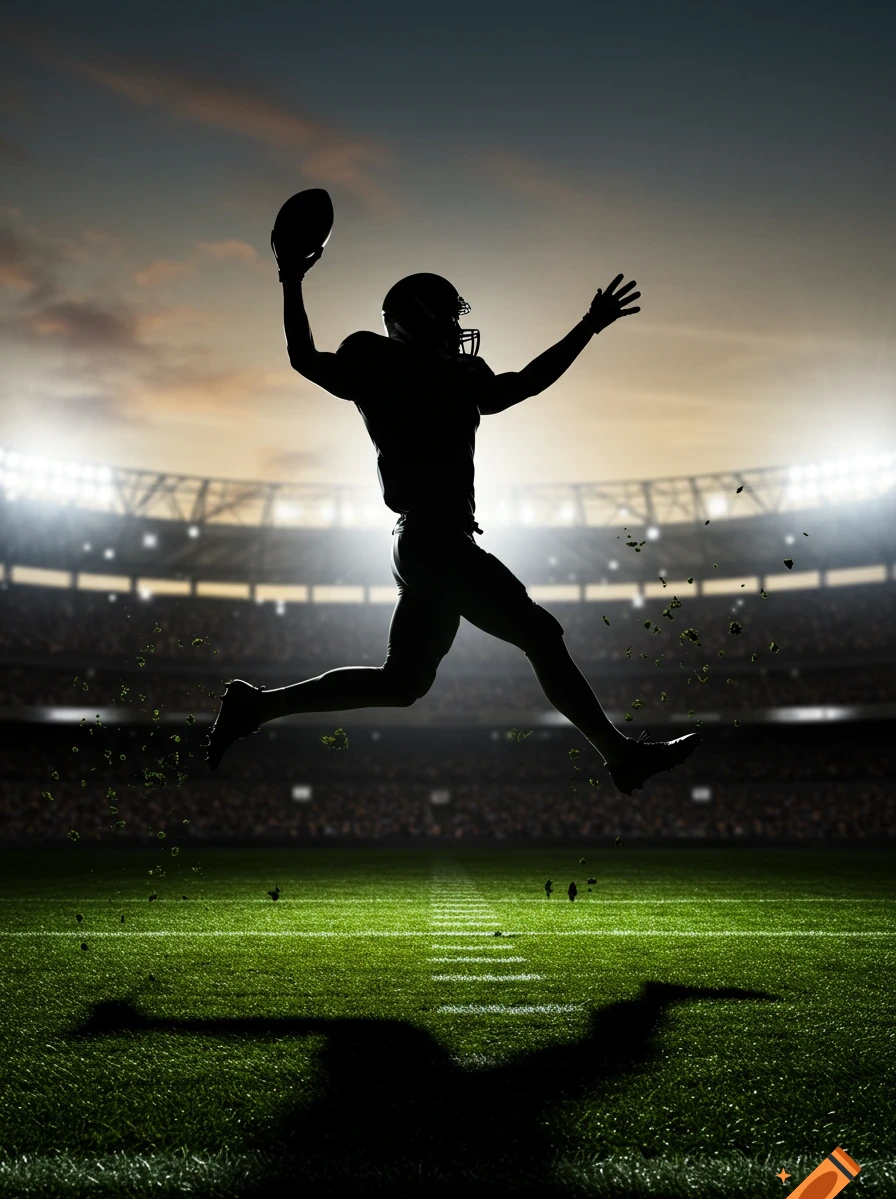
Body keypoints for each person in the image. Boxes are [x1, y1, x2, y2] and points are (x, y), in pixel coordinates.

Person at [205, 213, 700, 794]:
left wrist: (586, 328)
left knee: (402, 683)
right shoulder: (380, 360)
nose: (457, 330)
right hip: (432, 541)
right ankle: (619, 755)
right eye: (447, 317)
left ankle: (254, 707)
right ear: (422, 319)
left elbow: (525, 383)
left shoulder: (448, 370)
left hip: (427, 545)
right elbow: (305, 357)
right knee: (541, 634)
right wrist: (291, 280)